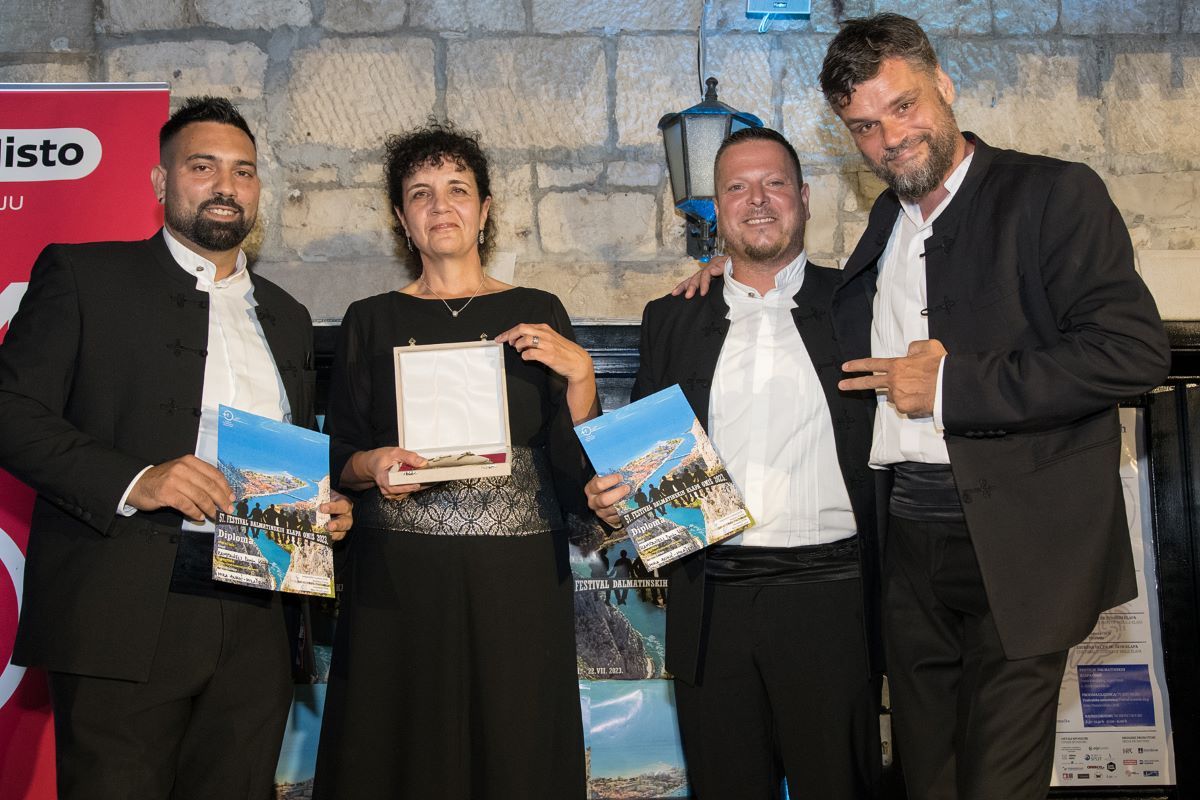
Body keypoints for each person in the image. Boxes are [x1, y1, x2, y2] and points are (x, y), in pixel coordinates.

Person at [817, 14, 1170, 799]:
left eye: (903, 106)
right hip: (908, 544)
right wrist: (732, 266)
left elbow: (1132, 351)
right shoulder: (886, 221)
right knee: (927, 779)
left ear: (944, 86)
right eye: (865, 127)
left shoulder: (1054, 193)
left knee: (998, 786)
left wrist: (951, 386)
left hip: (1021, 546)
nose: (890, 139)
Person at [0, 96, 353, 799]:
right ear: (161, 182)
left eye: (243, 171)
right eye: (203, 166)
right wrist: (139, 480)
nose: (226, 185)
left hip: (261, 610)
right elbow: (9, 410)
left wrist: (321, 508)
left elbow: (290, 445)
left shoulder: (287, 315)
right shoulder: (83, 276)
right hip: (121, 607)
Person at [587, 126, 880, 799]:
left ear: (804, 197)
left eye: (775, 183)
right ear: (716, 209)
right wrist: (617, 502)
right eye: (737, 188)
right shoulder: (672, 318)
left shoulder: (861, 302)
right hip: (710, 598)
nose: (758, 200)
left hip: (834, 597)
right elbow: (645, 462)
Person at [312, 120, 597, 800]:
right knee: (400, 753)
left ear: (485, 209)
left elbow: (576, 468)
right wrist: (372, 464)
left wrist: (583, 379)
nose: (441, 206)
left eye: (458, 189)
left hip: (518, 578)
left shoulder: (538, 311)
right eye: (421, 193)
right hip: (400, 580)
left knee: (516, 748)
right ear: (401, 218)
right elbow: (339, 454)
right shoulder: (369, 319)